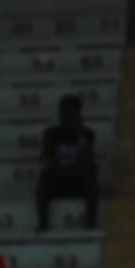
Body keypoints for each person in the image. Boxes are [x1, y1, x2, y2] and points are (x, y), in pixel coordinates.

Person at [38, 94, 99, 232]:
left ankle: (91, 222)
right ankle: (43, 224)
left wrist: (79, 135)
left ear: (78, 114)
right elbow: (46, 158)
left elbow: (87, 158)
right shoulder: (51, 134)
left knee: (90, 173)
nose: (66, 116)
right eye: (63, 112)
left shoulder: (87, 134)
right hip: (58, 180)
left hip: (79, 181)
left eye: (70, 113)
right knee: (45, 175)